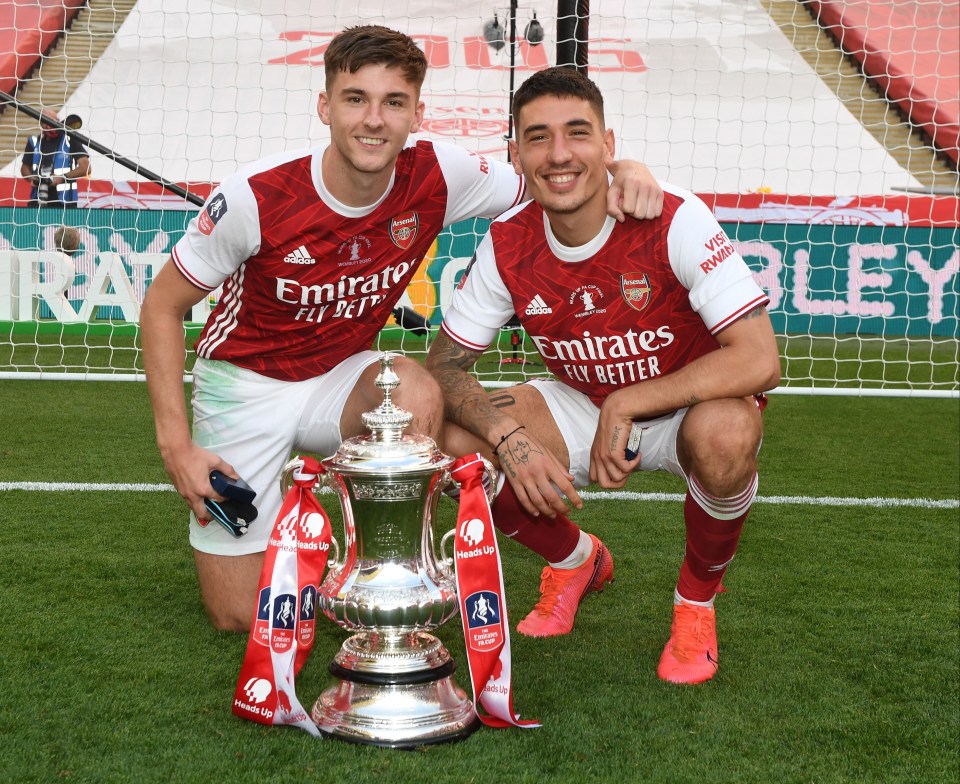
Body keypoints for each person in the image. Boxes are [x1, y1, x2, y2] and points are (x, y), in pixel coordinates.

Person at [140, 26, 664, 633]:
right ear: (325, 105)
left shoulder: (440, 173)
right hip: (245, 385)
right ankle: (315, 551)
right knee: (237, 616)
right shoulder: (257, 196)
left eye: (393, 102)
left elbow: (553, 179)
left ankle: (412, 568)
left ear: (417, 112)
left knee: (419, 393)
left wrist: (624, 165)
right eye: (355, 98)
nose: (373, 119)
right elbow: (161, 308)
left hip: (339, 375)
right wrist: (176, 448)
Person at [426, 66, 780, 685]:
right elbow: (444, 368)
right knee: (456, 444)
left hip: (684, 405)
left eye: (577, 133)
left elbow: (758, 360)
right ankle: (576, 559)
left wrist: (629, 402)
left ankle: (694, 606)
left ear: (609, 147)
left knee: (729, 433)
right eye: (537, 137)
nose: (558, 154)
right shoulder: (507, 242)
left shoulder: (672, 216)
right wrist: (509, 438)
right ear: (515, 153)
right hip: (580, 400)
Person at [20, 109, 90, 208]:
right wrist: (32, 178)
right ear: (41, 124)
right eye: (45, 122)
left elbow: (86, 167)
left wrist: (62, 177)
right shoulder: (34, 142)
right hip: (37, 199)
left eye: (53, 121)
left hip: (65, 202)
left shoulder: (70, 139)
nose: (48, 125)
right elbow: (24, 168)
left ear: (57, 120)